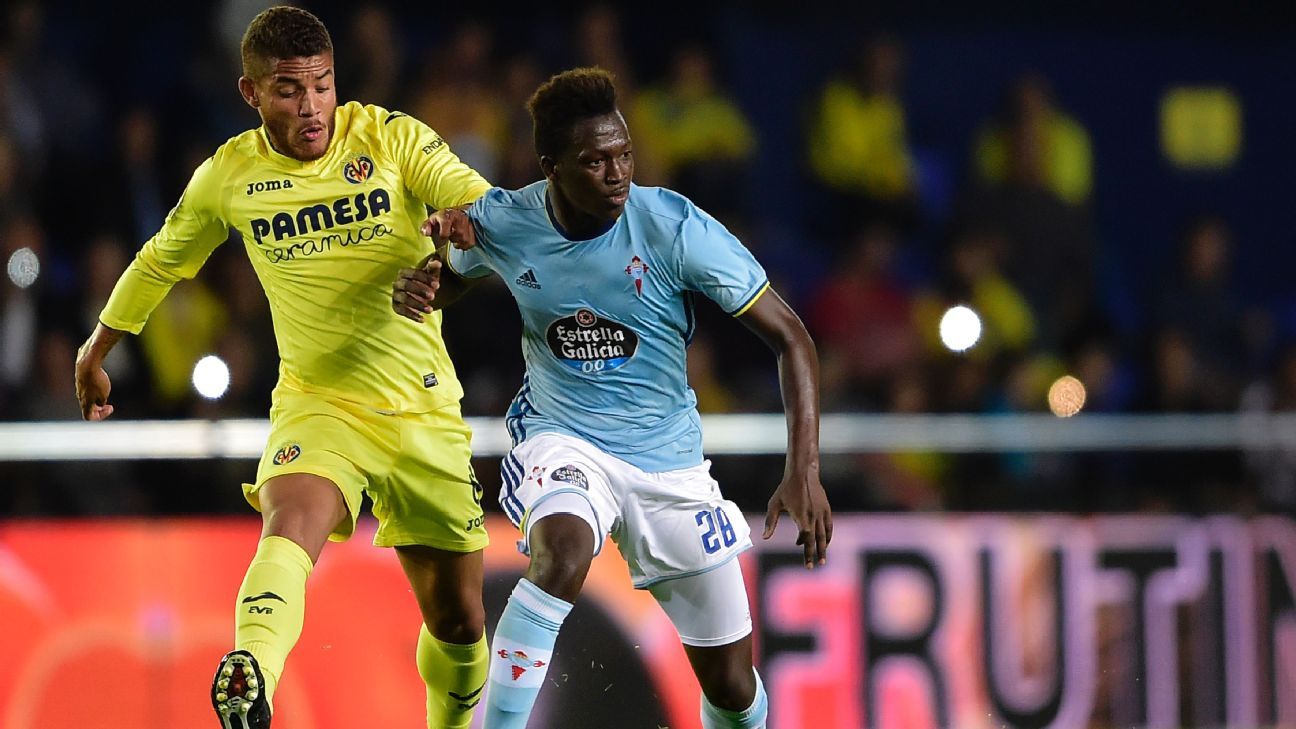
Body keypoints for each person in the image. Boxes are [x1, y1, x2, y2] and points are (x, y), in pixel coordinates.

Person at [73, 7, 492, 729]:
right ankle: (251, 674)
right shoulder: (232, 175)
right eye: (290, 90)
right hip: (318, 401)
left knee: (459, 623)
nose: (311, 107)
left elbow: (479, 207)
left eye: (323, 87)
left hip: (421, 407)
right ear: (251, 93)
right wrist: (98, 345)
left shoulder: (391, 139)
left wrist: (453, 247)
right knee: (289, 519)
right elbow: (162, 258)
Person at [392, 67, 832, 729]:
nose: (616, 172)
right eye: (594, 161)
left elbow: (792, 337)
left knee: (735, 687)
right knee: (562, 553)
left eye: (623, 153)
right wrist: (425, 285)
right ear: (551, 168)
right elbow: (450, 277)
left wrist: (804, 469)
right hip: (562, 436)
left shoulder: (674, 227)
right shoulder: (505, 220)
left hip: (669, 464)